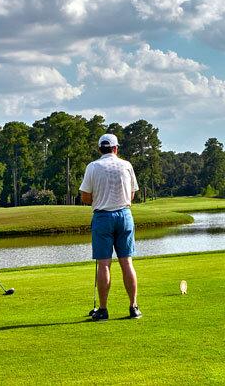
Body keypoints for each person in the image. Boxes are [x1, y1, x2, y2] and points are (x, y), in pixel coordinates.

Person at [80, 134, 142, 320]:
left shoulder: (93, 166)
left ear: (100, 149)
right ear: (116, 148)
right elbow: (131, 195)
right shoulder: (126, 165)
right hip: (124, 215)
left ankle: (104, 309)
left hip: (102, 217)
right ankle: (133, 307)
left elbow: (85, 197)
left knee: (104, 264)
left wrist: (98, 199)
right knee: (127, 262)